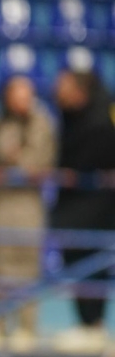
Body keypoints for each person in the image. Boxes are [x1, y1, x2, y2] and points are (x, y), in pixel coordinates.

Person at [0, 76, 55, 353]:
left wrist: (16, 164)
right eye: (17, 93)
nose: (22, 100)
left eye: (27, 93)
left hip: (27, 206)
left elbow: (37, 162)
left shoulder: (42, 122)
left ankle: (27, 327)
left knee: (27, 268)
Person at [49, 70, 115, 355]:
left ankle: (94, 325)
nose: (57, 90)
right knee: (76, 261)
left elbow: (89, 162)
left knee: (94, 262)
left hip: (97, 209)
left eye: (64, 86)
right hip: (73, 207)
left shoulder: (101, 119)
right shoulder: (68, 116)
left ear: (80, 90)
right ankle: (87, 324)